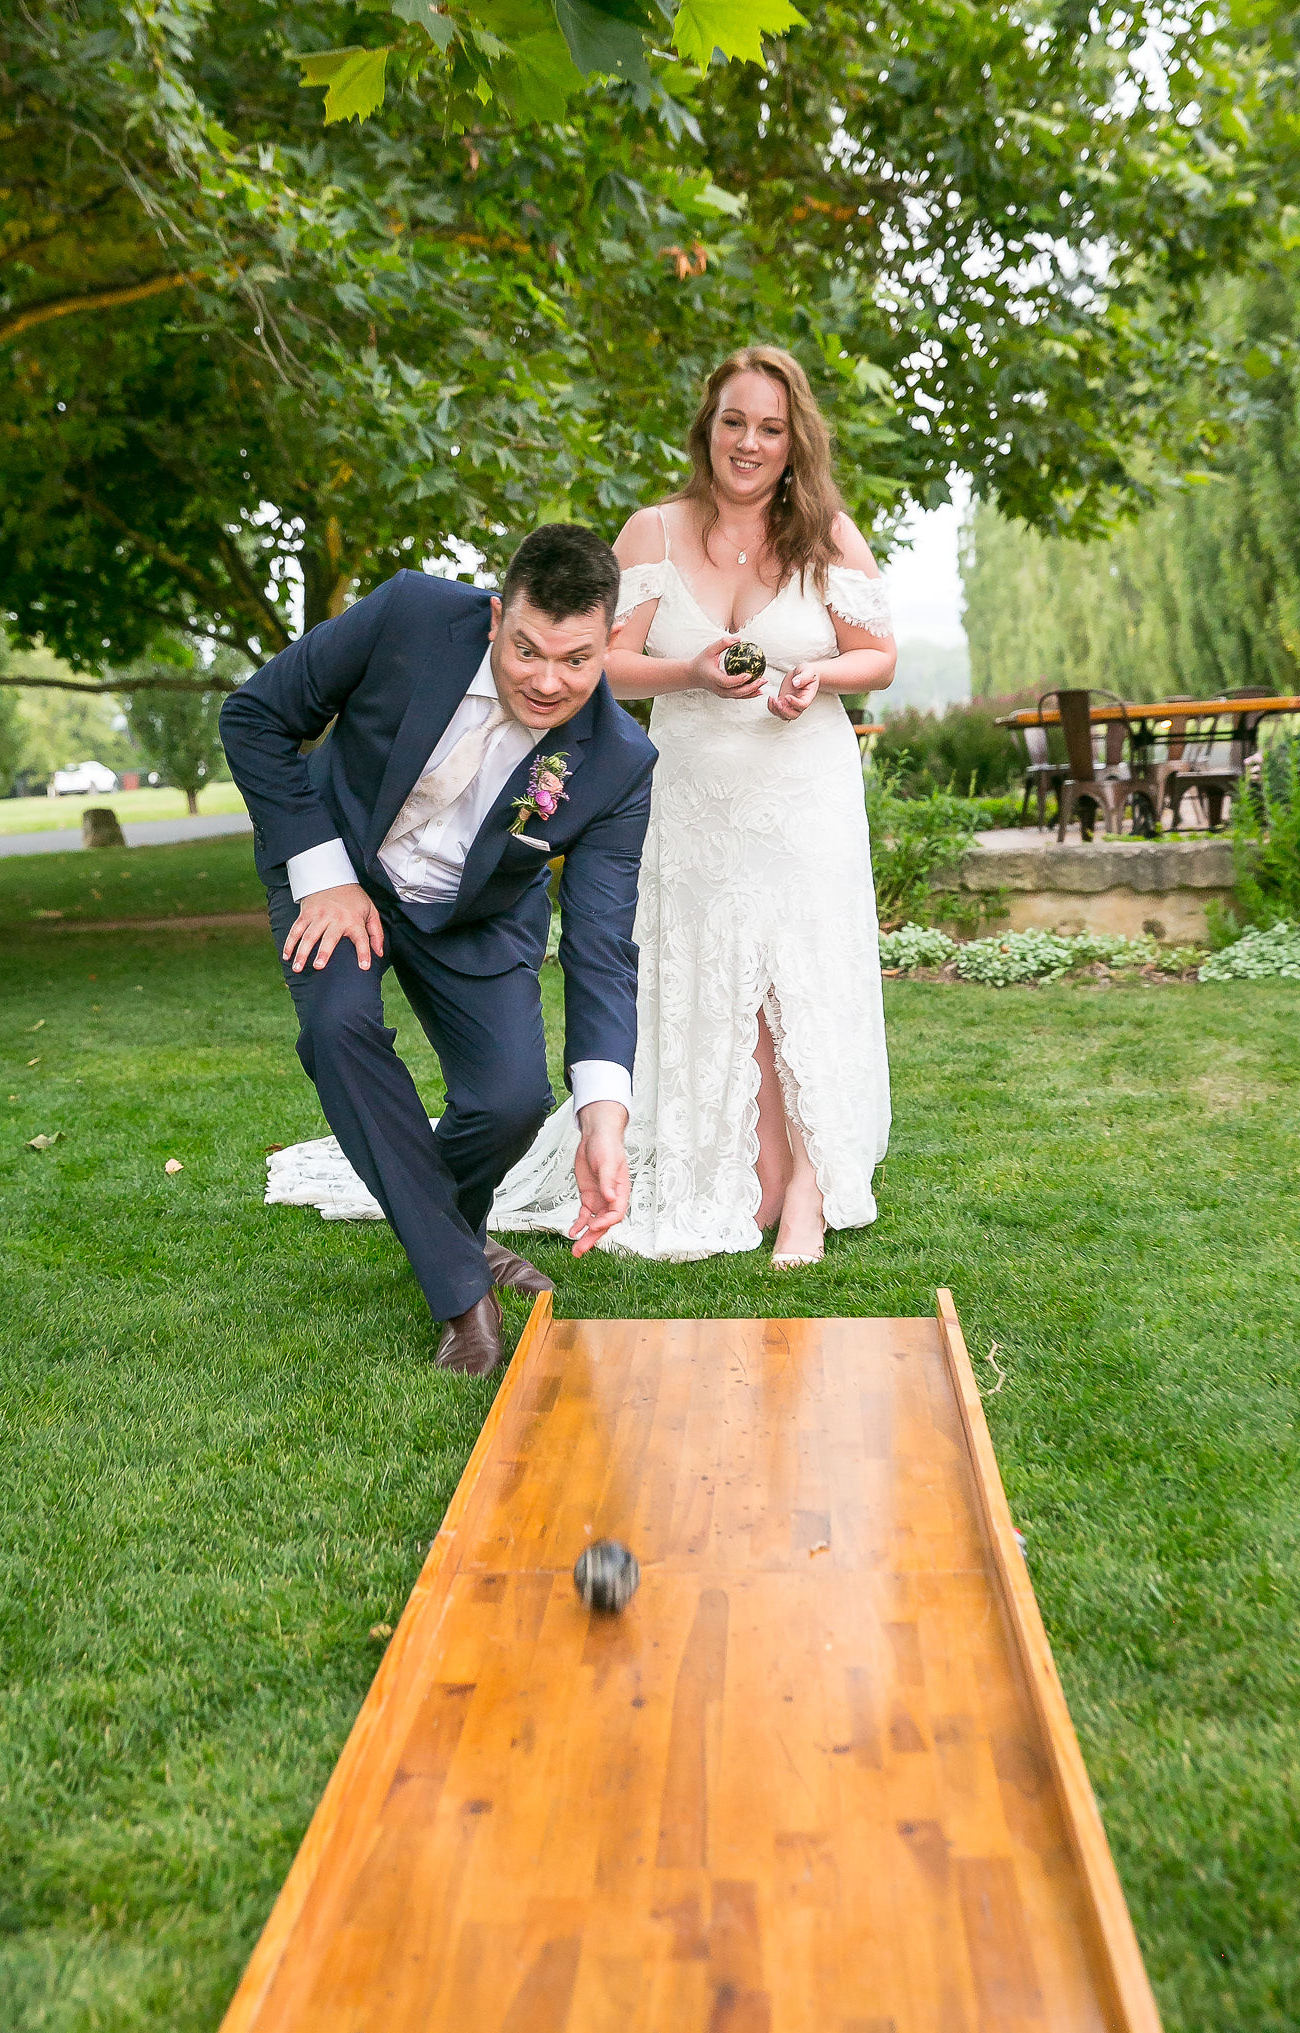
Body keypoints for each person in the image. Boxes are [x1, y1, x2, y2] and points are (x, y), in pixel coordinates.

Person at [490, 346, 896, 1265]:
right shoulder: (652, 532)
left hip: (803, 793)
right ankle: (730, 1164)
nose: (748, 443)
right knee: (717, 981)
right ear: (705, 429)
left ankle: (809, 1194)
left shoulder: (828, 534)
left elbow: (878, 654)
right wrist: (690, 670)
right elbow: (608, 662)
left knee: (797, 981)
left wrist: (815, 676)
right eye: (732, 422)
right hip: (690, 793)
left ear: (795, 443)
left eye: (769, 428)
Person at [220, 525, 657, 1376]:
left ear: (609, 645)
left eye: (576, 661)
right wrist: (321, 875)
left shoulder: (620, 763)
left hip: (477, 913)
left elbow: (602, 948)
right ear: (497, 616)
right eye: (527, 649)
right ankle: (462, 1292)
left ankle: (445, 1229)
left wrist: (604, 1114)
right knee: (339, 1031)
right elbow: (255, 716)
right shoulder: (412, 614)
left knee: (510, 1101)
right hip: (336, 862)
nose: (546, 680)